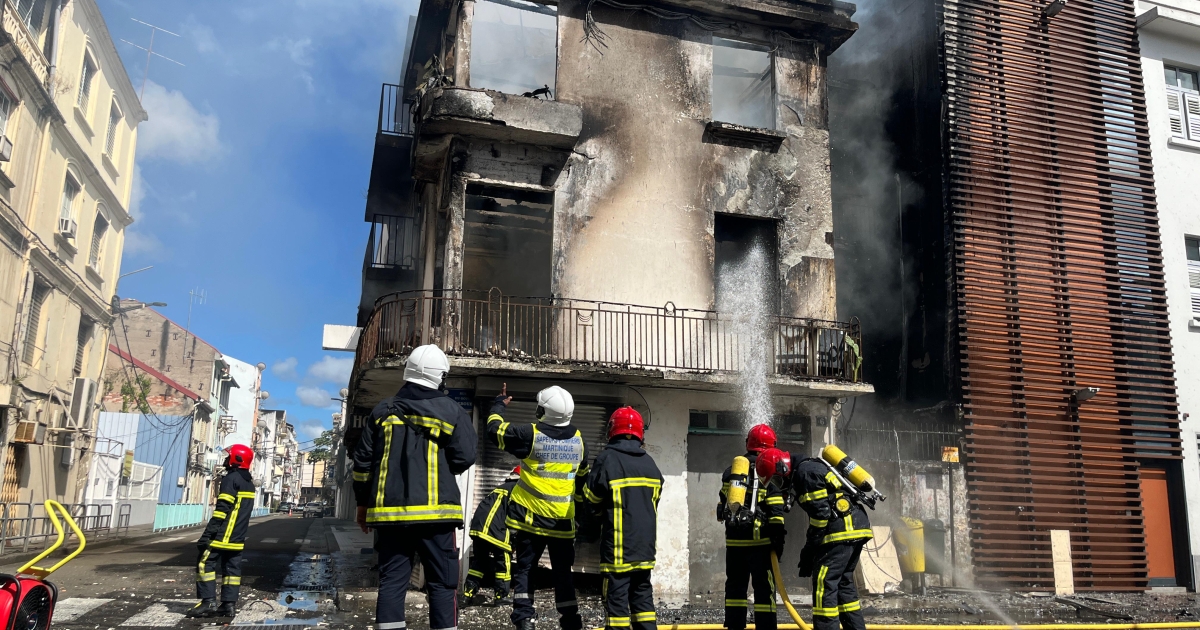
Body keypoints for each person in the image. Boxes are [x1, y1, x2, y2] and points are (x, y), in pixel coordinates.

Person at [352, 344, 478, 630]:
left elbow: (362, 465)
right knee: (443, 585)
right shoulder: (452, 411)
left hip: (390, 517)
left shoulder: (382, 411)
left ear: (408, 371)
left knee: (392, 583)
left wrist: (362, 504)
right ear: (440, 376)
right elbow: (465, 457)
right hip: (437, 518)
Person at [488, 383, 589, 630]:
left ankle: (524, 619)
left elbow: (494, 430)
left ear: (543, 411)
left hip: (530, 519)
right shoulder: (579, 441)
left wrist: (499, 404)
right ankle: (570, 622)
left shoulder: (530, 434)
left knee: (525, 569)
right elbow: (582, 484)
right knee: (563, 573)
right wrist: (582, 518)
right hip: (562, 524)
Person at [755, 448, 873, 630]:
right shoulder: (810, 467)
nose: (780, 486)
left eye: (777, 480)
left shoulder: (805, 474)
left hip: (839, 531)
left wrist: (809, 550)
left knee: (824, 585)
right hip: (855, 527)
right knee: (843, 584)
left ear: (783, 468)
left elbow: (821, 515)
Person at [583, 406, 663, 630]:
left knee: (616, 607)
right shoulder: (650, 464)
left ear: (612, 430)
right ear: (640, 433)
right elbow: (652, 502)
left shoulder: (607, 459)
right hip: (644, 550)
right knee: (643, 602)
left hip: (618, 551)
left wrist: (592, 526)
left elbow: (591, 500)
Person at [717, 424, 786, 630]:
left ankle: (734, 626)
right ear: (772, 445)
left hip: (734, 543)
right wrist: (778, 542)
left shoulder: (732, 472)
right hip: (761, 544)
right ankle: (766, 627)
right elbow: (776, 510)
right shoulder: (769, 468)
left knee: (735, 588)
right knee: (764, 590)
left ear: (748, 443)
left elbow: (723, 502)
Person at [186, 444, 256, 619]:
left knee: (205, 563)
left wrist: (208, 533)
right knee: (232, 569)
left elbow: (222, 509)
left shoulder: (231, 478)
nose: (225, 459)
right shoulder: (249, 483)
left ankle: (208, 602)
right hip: (238, 536)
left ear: (237, 459)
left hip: (223, 534)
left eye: (228, 456)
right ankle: (228, 605)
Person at [462, 466, 521, 607]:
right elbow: (515, 517)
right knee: (504, 562)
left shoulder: (499, 488)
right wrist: (513, 542)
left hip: (478, 528)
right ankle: (501, 596)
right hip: (495, 529)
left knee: (479, 562)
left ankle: (467, 595)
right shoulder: (517, 490)